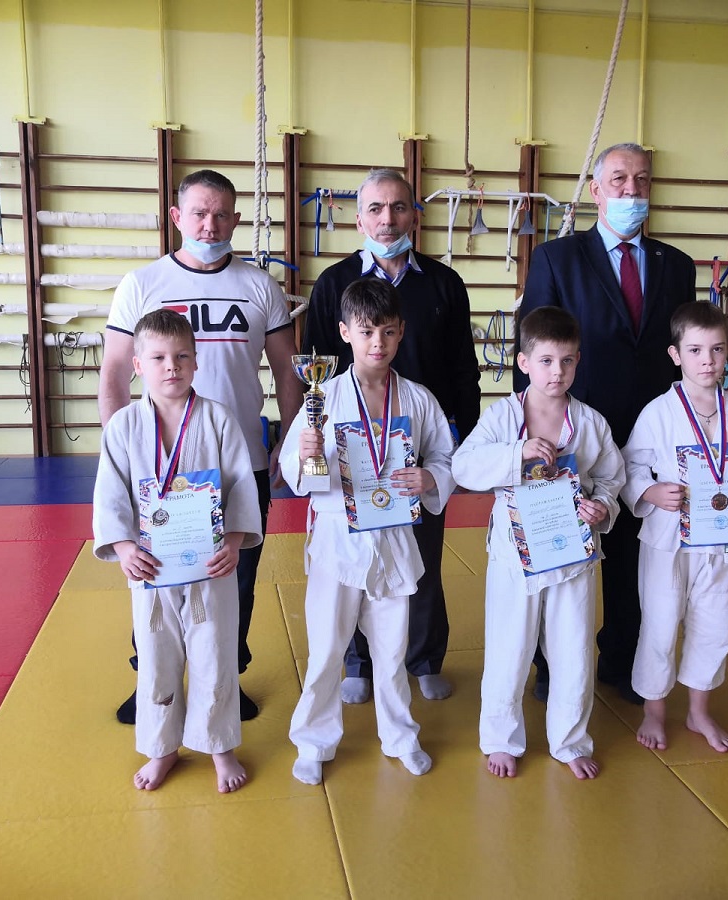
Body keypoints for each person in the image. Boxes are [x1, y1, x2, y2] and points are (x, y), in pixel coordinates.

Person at [99, 169, 303, 724]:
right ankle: (153, 681)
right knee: (153, 573)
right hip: (159, 466)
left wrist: (290, 438)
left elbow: (288, 369)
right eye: (198, 213)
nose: (209, 224)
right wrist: (121, 451)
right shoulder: (142, 283)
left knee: (235, 574)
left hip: (238, 463)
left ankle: (225, 680)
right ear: (177, 217)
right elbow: (114, 372)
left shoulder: (260, 286)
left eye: (220, 214)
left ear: (235, 219)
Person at [515, 142, 696, 705]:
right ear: (596, 190)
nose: (630, 190)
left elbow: (684, 354)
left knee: (636, 558)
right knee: (560, 550)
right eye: (618, 179)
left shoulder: (677, 265)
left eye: (641, 180)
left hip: (652, 434)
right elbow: (535, 348)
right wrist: (533, 428)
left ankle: (622, 659)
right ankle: (551, 666)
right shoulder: (557, 259)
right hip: (575, 433)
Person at [302, 168, 480, 704]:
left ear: (414, 216)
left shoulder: (444, 283)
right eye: (376, 208)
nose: (387, 218)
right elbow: (316, 372)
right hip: (352, 447)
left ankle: (423, 657)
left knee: (420, 556)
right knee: (354, 555)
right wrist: (314, 440)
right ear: (359, 219)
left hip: (419, 441)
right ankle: (359, 661)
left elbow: (463, 369)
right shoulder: (333, 283)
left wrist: (464, 443)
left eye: (399, 206)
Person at [282, 278, 456, 785]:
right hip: (338, 538)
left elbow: (445, 457)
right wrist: (306, 456)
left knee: (392, 651)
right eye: (366, 332)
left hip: (394, 536)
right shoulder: (323, 397)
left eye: (387, 331)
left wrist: (430, 478)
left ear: (401, 332)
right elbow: (296, 474)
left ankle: (400, 736)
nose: (377, 342)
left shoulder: (418, 399)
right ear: (345, 333)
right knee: (325, 651)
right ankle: (313, 742)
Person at [92, 310, 262, 792]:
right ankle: (162, 747)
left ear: (196, 360)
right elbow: (110, 493)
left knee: (215, 655)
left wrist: (234, 542)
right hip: (151, 567)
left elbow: (241, 485)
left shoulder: (218, 418)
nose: (172, 366)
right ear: (138, 365)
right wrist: (124, 546)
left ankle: (219, 746)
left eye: (183, 356)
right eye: (159, 358)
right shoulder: (124, 426)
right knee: (156, 657)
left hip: (211, 565)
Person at [452, 307, 625, 780]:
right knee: (508, 648)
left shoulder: (590, 422)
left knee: (573, 650)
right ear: (524, 362)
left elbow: (612, 478)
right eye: (546, 361)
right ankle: (501, 739)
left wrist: (601, 506)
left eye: (567, 361)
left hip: (573, 552)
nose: (557, 372)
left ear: (578, 360)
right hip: (515, 553)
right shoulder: (503, 416)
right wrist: (517, 453)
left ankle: (570, 741)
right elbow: (463, 466)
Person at [620, 301, 728, 753]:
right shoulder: (658, 412)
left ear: (727, 352)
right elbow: (629, 466)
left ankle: (699, 711)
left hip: (721, 538)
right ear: (675, 354)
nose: (708, 361)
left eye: (717, 349)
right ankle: (654, 710)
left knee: (716, 623)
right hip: (668, 539)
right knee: (661, 623)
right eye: (696, 350)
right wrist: (649, 492)